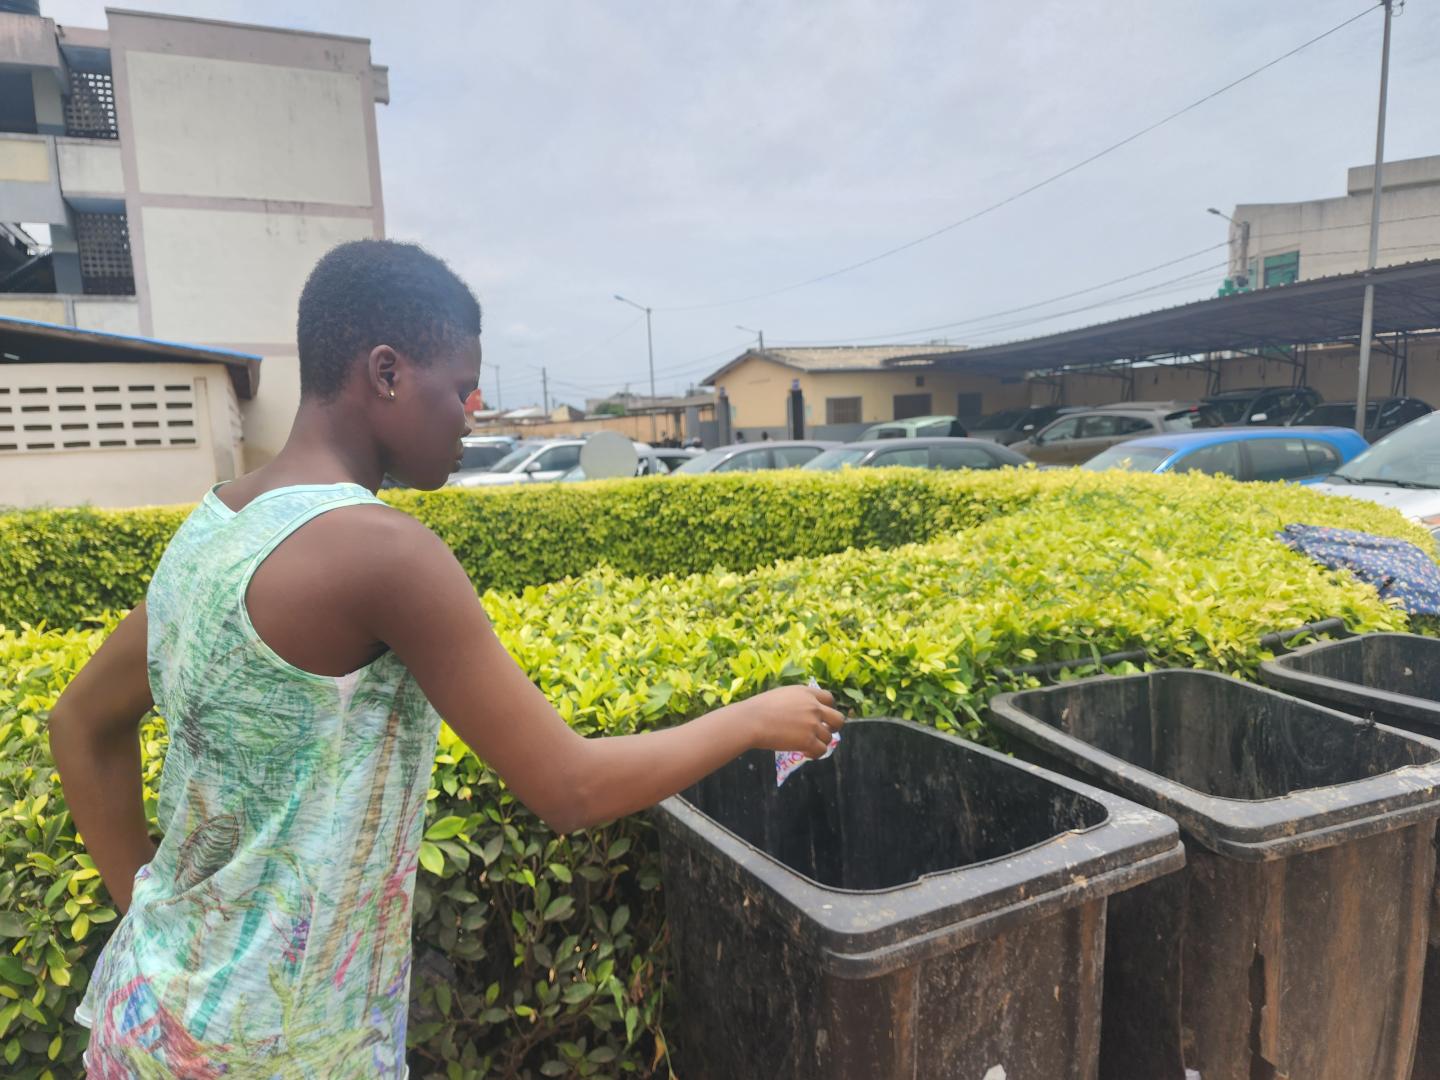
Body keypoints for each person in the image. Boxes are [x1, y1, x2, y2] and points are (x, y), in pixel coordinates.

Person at [47, 240, 843, 1078]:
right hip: (278, 1054)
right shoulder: (384, 552)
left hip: (148, 1015)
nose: (475, 411)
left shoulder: (212, 529)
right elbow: (569, 789)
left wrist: (146, 905)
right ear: (386, 373)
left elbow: (80, 722)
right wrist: (754, 718)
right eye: (461, 386)